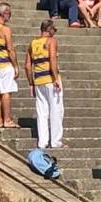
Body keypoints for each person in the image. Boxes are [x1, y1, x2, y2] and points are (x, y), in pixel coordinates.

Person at [25, 20, 65, 149]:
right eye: (54, 29)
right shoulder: (51, 41)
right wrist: (55, 78)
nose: (55, 32)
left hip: (38, 80)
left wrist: (31, 82)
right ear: (49, 29)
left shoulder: (33, 43)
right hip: (50, 79)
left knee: (42, 112)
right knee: (56, 110)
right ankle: (56, 141)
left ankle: (42, 142)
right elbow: (52, 58)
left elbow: (27, 65)